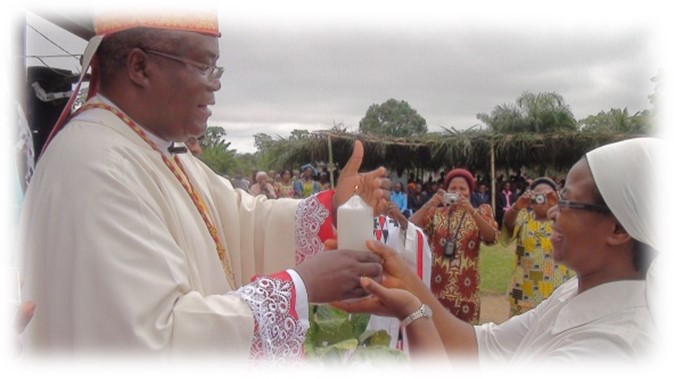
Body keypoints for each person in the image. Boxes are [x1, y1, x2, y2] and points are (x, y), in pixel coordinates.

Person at [18, 9, 390, 358]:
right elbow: (152, 341)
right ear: (139, 66)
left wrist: (331, 210)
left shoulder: (162, 151)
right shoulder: (94, 164)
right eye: (203, 65)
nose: (215, 84)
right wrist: (300, 286)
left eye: (216, 67)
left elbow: (246, 224)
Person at [338, 137, 666, 362]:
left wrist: (413, 313)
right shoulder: (572, 293)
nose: (553, 211)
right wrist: (404, 280)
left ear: (619, 229)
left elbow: (493, 237)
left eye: (566, 201)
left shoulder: (612, 349)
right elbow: (480, 347)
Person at [408, 168, 498, 323]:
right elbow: (409, 227)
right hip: (437, 289)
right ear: (446, 191)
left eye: (462, 189)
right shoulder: (435, 214)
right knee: (437, 338)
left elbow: (492, 237)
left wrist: (471, 210)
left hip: (466, 290)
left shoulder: (481, 212)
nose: (458, 192)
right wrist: (430, 203)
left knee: (465, 342)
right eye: (453, 189)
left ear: (470, 191)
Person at [499, 176, 572, 316]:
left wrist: (560, 206)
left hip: (554, 290)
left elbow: (577, 233)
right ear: (531, 199)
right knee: (520, 333)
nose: (542, 200)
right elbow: (508, 226)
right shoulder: (523, 218)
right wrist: (517, 207)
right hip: (523, 289)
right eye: (538, 195)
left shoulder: (562, 220)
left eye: (547, 195)